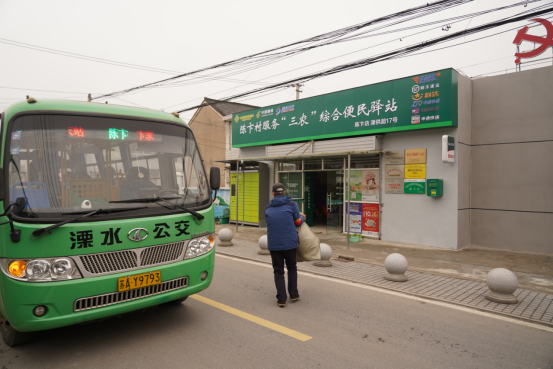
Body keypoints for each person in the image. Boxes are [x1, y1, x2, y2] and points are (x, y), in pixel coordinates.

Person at [264, 183, 305, 308]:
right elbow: (297, 222)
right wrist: (303, 217)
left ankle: (281, 299)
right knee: (292, 267)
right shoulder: (292, 205)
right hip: (290, 243)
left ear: (273, 194)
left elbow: (271, 222)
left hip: (274, 244)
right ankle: (293, 294)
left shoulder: (268, 207)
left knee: (278, 271)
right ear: (285, 192)